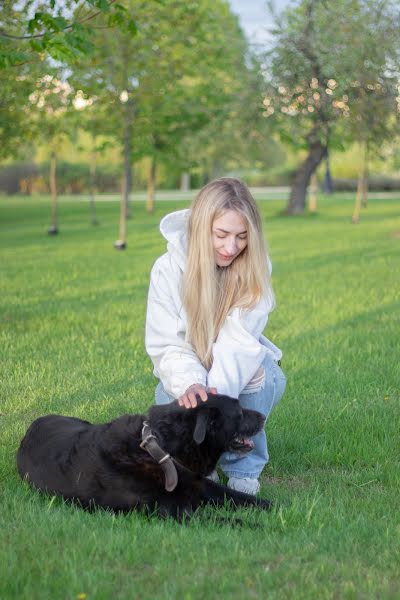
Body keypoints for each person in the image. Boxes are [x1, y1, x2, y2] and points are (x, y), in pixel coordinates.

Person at [145, 177, 286, 495]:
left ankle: (243, 466)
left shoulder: (256, 266)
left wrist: (215, 407)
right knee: (180, 402)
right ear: (199, 227)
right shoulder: (167, 269)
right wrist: (192, 386)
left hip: (237, 368)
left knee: (257, 375)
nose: (231, 248)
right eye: (221, 235)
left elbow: (239, 343)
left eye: (242, 236)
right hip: (188, 366)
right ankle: (198, 464)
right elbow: (168, 342)